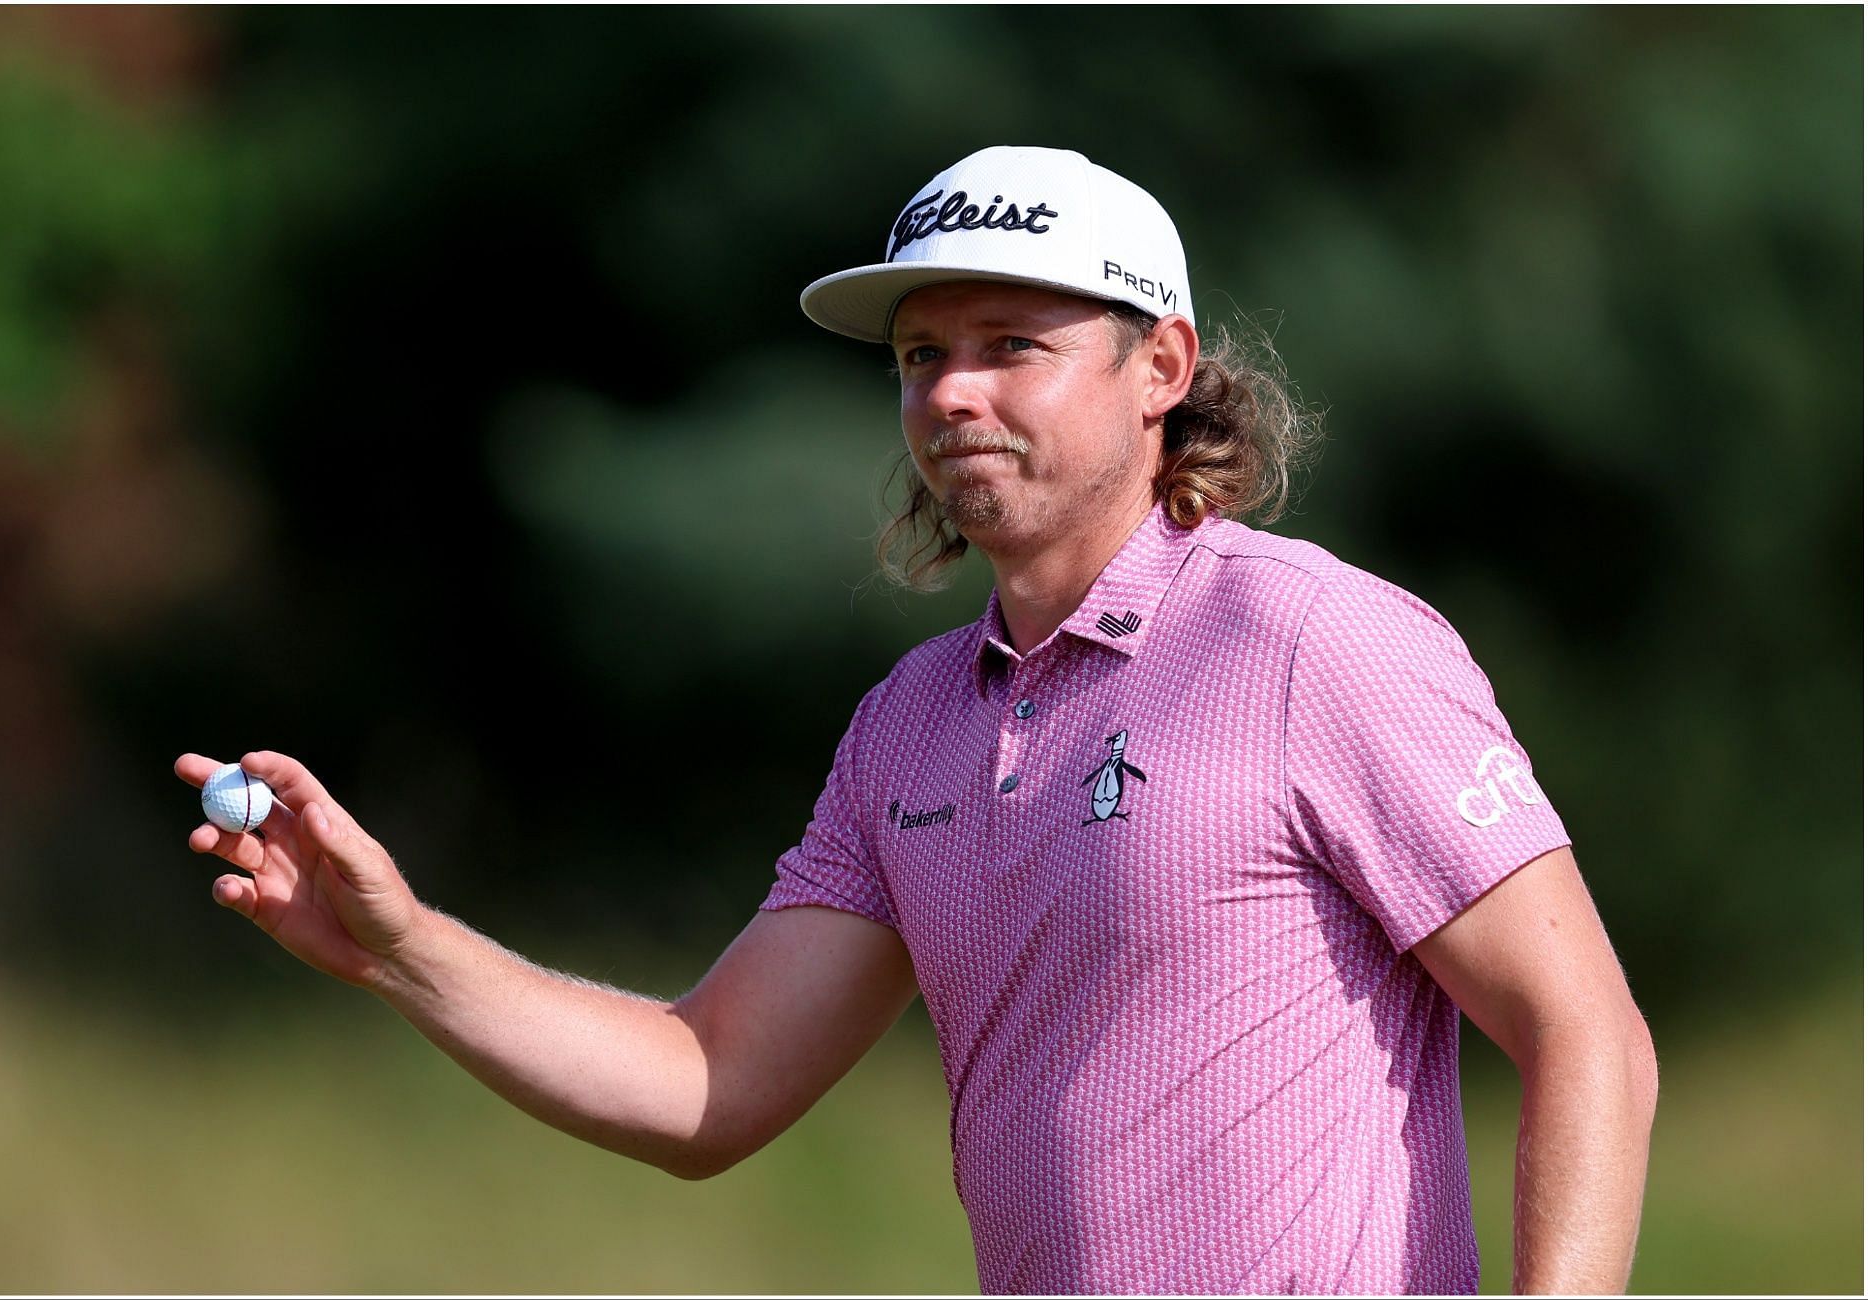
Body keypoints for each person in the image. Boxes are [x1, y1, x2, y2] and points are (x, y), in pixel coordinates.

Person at [176, 145, 1657, 1295]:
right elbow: (709, 1086)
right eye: (916, 355)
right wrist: (401, 948)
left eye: (1012, 344)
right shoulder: (913, 726)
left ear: (1163, 369)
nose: (950, 393)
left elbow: (1589, 1034)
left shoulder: (1310, 642)